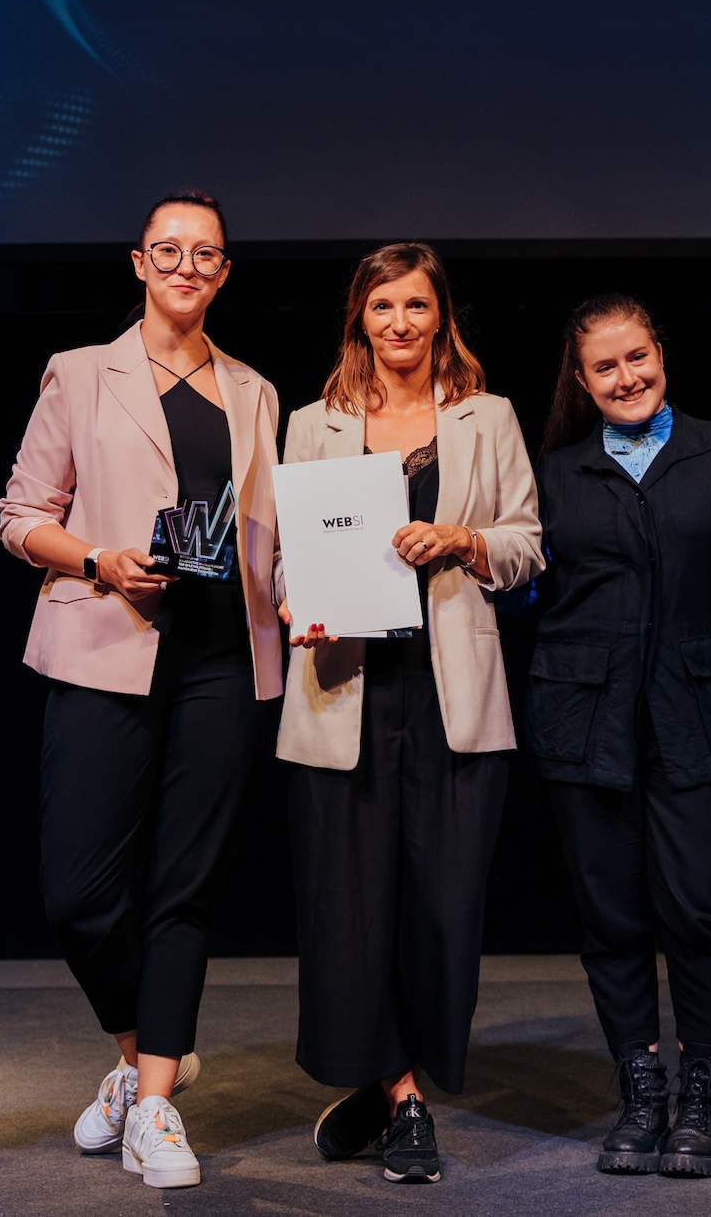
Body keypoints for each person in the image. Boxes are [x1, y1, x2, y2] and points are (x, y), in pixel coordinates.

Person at [0, 190, 283, 1189]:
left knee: (184, 889)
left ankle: (155, 1103)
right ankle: (138, 1052)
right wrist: (99, 560)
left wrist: (309, 598)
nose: (186, 266)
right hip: (104, 647)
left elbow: (266, 535)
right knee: (78, 896)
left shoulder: (254, 391)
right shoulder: (81, 373)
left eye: (205, 254)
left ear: (224, 273)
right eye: (169, 250)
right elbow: (21, 515)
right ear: (138, 262)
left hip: (221, 659)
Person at [275, 241, 544, 1184]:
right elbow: (285, 560)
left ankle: (388, 1082)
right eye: (382, 305)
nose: (399, 322)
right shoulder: (313, 424)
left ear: (441, 316)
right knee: (351, 910)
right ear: (360, 316)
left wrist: (463, 538)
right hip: (343, 691)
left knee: (442, 905)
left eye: (416, 305)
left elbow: (527, 543)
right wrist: (296, 603)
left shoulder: (488, 416)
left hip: (451, 695)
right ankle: (403, 1099)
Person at [523, 292, 711, 1179]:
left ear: (661, 354)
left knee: (700, 910)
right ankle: (641, 1095)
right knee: (609, 914)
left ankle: (700, 1094)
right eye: (604, 366)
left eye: (636, 357)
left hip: (699, 707)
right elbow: (524, 586)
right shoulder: (555, 474)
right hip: (584, 715)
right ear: (581, 380)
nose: (625, 376)